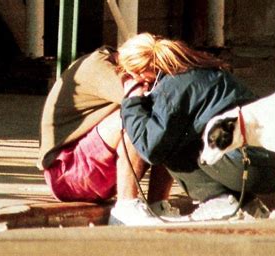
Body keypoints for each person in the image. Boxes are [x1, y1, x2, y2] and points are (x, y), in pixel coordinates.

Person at [117, 33, 275, 221]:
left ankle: (217, 200)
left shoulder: (172, 88)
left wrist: (132, 100)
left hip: (245, 164)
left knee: (171, 144)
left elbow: (150, 148)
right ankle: (245, 204)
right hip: (271, 165)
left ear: (142, 72)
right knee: (195, 132)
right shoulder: (200, 69)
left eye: (130, 74)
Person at [37, 46, 178, 226]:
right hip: (65, 174)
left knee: (170, 120)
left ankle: (158, 205)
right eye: (154, 75)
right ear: (138, 65)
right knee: (138, 116)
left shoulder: (120, 65)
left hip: (92, 172)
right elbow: (140, 103)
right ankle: (126, 207)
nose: (154, 82)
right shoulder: (99, 67)